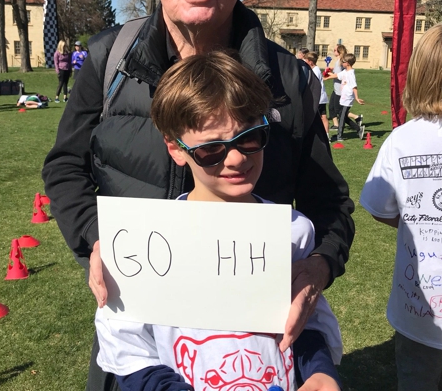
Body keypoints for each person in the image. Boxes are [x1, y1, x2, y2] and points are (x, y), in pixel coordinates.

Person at [42, 0, 355, 388]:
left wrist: (318, 267)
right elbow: (65, 167)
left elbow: (329, 202)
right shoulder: (109, 57)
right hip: (142, 346)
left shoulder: (291, 78)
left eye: (250, 137)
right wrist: (105, 240)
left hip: (259, 350)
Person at [96, 50, 343, 391]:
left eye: (250, 137)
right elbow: (130, 351)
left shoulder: (291, 231)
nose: (238, 158)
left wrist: (318, 372)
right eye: (212, 148)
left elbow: (306, 322)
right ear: (176, 149)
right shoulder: (143, 241)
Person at [360, 23, 442, 391]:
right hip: (419, 312)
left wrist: (416, 221)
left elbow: (379, 206)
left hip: (418, 312)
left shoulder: (402, 141)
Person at [325, 53, 365, 141]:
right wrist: (327, 77)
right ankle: (358, 129)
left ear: (347, 63)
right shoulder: (345, 72)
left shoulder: (351, 74)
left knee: (342, 116)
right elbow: (337, 75)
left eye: (343, 62)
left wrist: (357, 98)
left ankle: (339, 136)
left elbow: (354, 86)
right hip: (343, 97)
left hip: (348, 98)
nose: (342, 63)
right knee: (342, 115)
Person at [304, 51, 329, 137]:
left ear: (310, 61)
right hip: (322, 98)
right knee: (323, 116)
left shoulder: (314, 71)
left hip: (317, 98)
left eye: (306, 60)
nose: (305, 62)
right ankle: (326, 135)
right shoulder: (317, 69)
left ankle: (319, 135)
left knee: (315, 117)